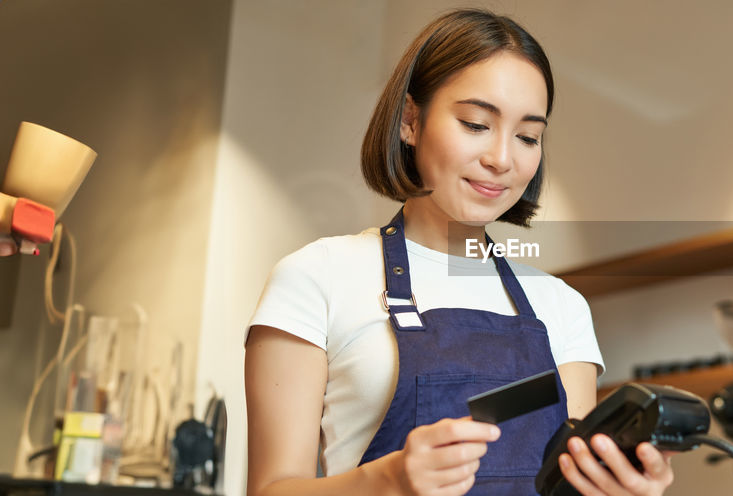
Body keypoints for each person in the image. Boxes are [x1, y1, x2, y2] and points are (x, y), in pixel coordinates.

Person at [244, 9, 675, 496]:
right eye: (475, 124)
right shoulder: (316, 278)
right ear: (410, 121)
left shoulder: (561, 306)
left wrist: (620, 489)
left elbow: (568, 483)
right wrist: (389, 480)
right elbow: (270, 489)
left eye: (528, 136)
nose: (502, 158)